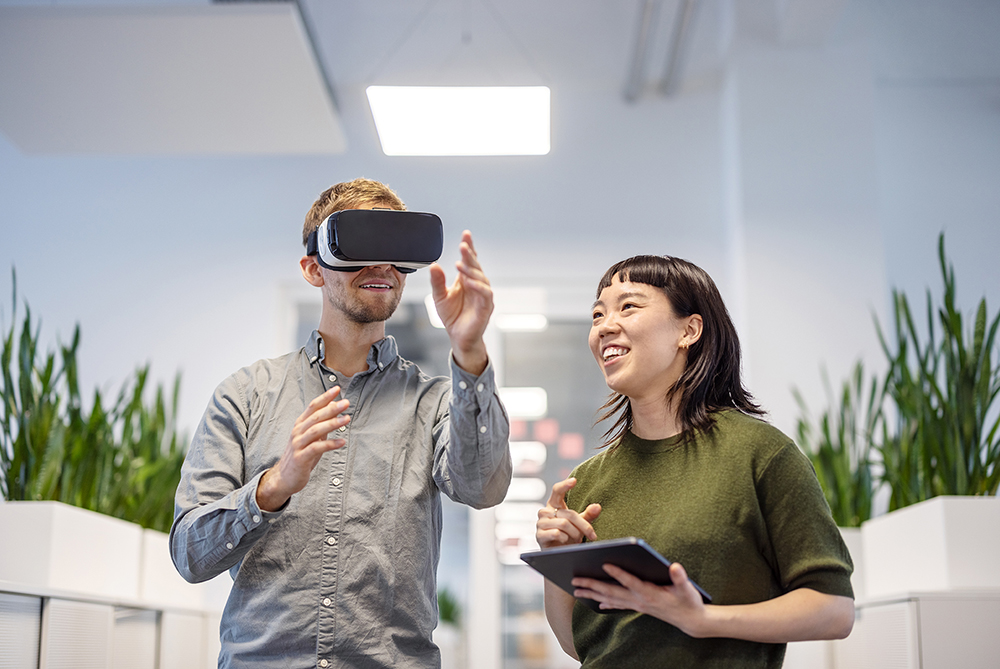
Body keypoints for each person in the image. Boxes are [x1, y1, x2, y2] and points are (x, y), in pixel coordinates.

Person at [170, 178, 512, 669]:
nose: (381, 267)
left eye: (394, 251)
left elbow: (484, 488)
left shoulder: (434, 402)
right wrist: (271, 488)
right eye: (360, 247)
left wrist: (470, 351)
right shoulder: (244, 396)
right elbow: (189, 554)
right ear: (313, 269)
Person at [535, 254, 854, 668]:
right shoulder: (587, 481)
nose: (604, 325)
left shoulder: (761, 454)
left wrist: (702, 620)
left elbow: (834, 610)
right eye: (597, 314)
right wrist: (556, 556)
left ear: (689, 330)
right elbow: (579, 645)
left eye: (628, 306)